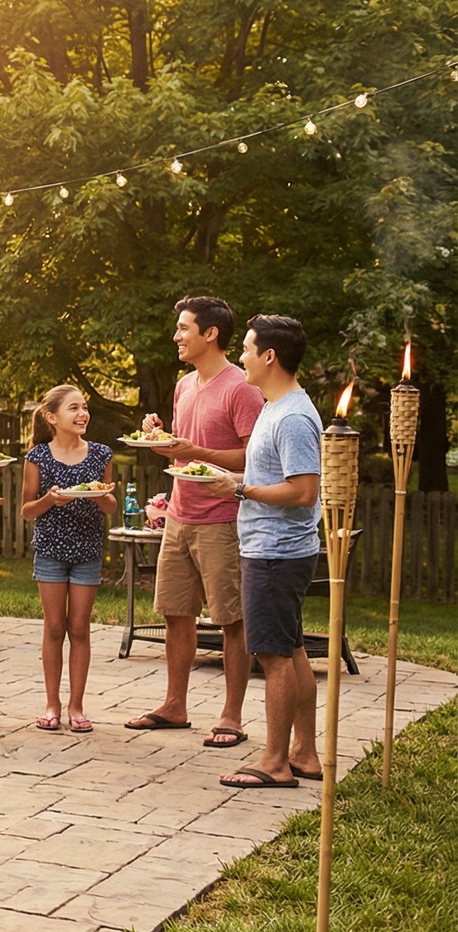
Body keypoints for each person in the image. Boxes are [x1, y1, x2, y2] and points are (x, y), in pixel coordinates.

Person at [124, 296, 262, 748]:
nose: (176, 336)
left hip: (223, 519)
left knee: (231, 620)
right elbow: (181, 448)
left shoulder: (241, 388)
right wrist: (158, 437)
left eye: (184, 328)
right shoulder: (184, 386)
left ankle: (231, 715)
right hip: (180, 516)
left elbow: (252, 456)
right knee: (175, 613)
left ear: (211, 334)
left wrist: (194, 452)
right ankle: (174, 706)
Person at [204, 316, 324, 788]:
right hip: (271, 549)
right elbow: (271, 480)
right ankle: (305, 754)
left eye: (249, 349)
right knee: (291, 652)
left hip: (276, 553)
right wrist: (232, 482)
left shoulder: (293, 416)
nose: (241, 357)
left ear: (269, 356)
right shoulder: (276, 408)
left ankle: (274, 763)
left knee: (272, 656)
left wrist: (243, 492)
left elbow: (303, 491)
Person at [20, 385, 116, 733]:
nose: (82, 414)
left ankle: (76, 705)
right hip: (50, 551)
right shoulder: (38, 457)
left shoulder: (101, 454)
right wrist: (50, 500)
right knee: (54, 628)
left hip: (87, 551)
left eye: (84, 407)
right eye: (73, 408)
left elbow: (109, 505)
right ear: (51, 417)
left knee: (79, 628)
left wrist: (100, 497)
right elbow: (27, 511)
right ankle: (52, 704)